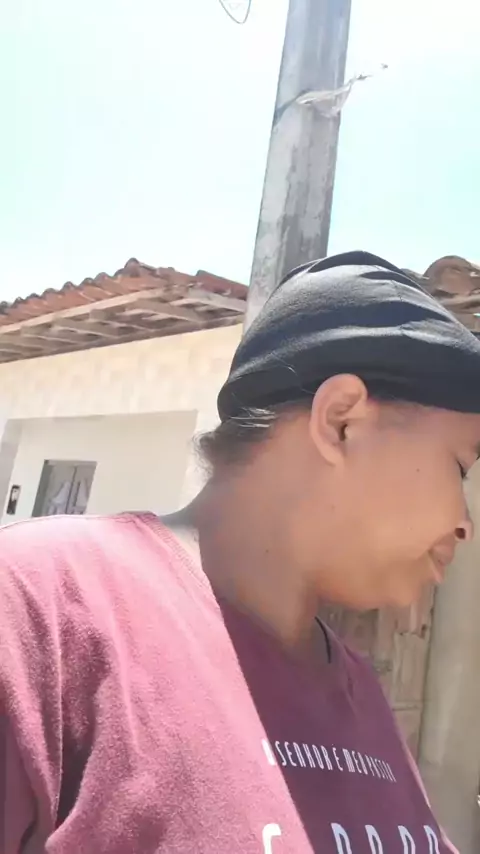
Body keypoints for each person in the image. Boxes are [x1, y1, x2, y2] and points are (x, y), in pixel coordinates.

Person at [1, 251, 479, 853]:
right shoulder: (40, 606)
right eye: (460, 467)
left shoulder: (359, 691)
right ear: (341, 422)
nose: (465, 524)